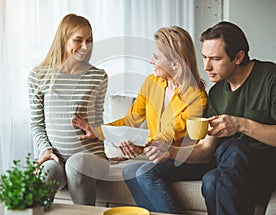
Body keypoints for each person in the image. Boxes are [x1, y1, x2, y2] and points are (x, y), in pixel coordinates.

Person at [140, 21, 276, 215]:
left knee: (233, 147)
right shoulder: (217, 93)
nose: (206, 66)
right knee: (211, 180)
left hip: (266, 169)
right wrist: (171, 151)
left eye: (215, 58)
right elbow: (205, 150)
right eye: (204, 57)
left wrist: (241, 125)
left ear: (238, 57)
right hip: (233, 173)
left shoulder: (270, 78)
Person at [73, 26, 210, 213]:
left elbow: (168, 136)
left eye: (156, 57)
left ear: (176, 63)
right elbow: (132, 120)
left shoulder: (196, 97)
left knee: (145, 174)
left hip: (184, 157)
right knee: (129, 171)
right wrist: (97, 131)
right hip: (160, 154)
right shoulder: (152, 82)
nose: (150, 61)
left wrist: (140, 146)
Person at [27, 13, 109, 206]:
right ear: (63, 39)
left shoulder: (97, 76)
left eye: (89, 40)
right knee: (46, 174)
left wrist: (97, 132)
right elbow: (37, 123)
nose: (85, 47)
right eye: (78, 40)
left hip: (91, 158)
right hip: (57, 156)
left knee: (77, 165)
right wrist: (46, 149)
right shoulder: (38, 76)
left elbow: (98, 123)